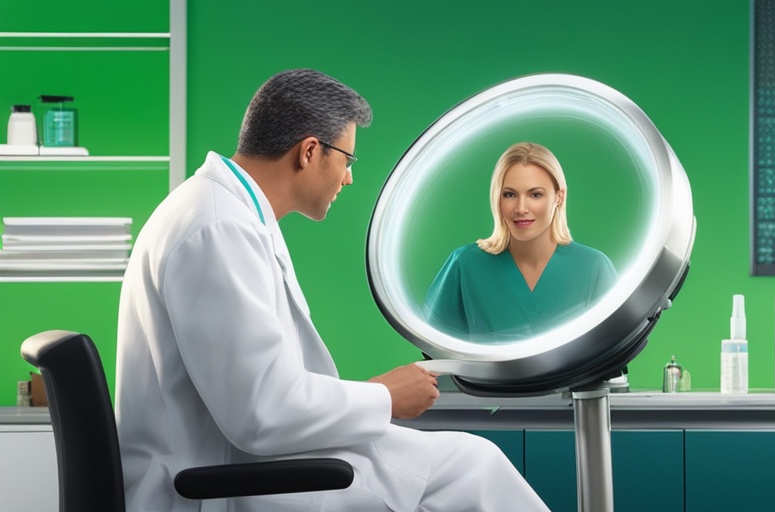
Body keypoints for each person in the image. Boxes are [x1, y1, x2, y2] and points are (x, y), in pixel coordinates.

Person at [114, 69, 549, 511]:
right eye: (347, 160)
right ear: (309, 152)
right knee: (474, 469)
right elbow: (259, 413)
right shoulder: (217, 227)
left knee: (469, 464)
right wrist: (385, 396)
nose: (348, 179)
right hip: (217, 483)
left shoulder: (229, 215)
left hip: (241, 465)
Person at [424, 142, 617, 341]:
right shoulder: (465, 265)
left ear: (559, 197)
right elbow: (438, 350)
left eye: (535, 194)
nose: (521, 208)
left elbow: (612, 352)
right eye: (509, 195)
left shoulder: (593, 267)